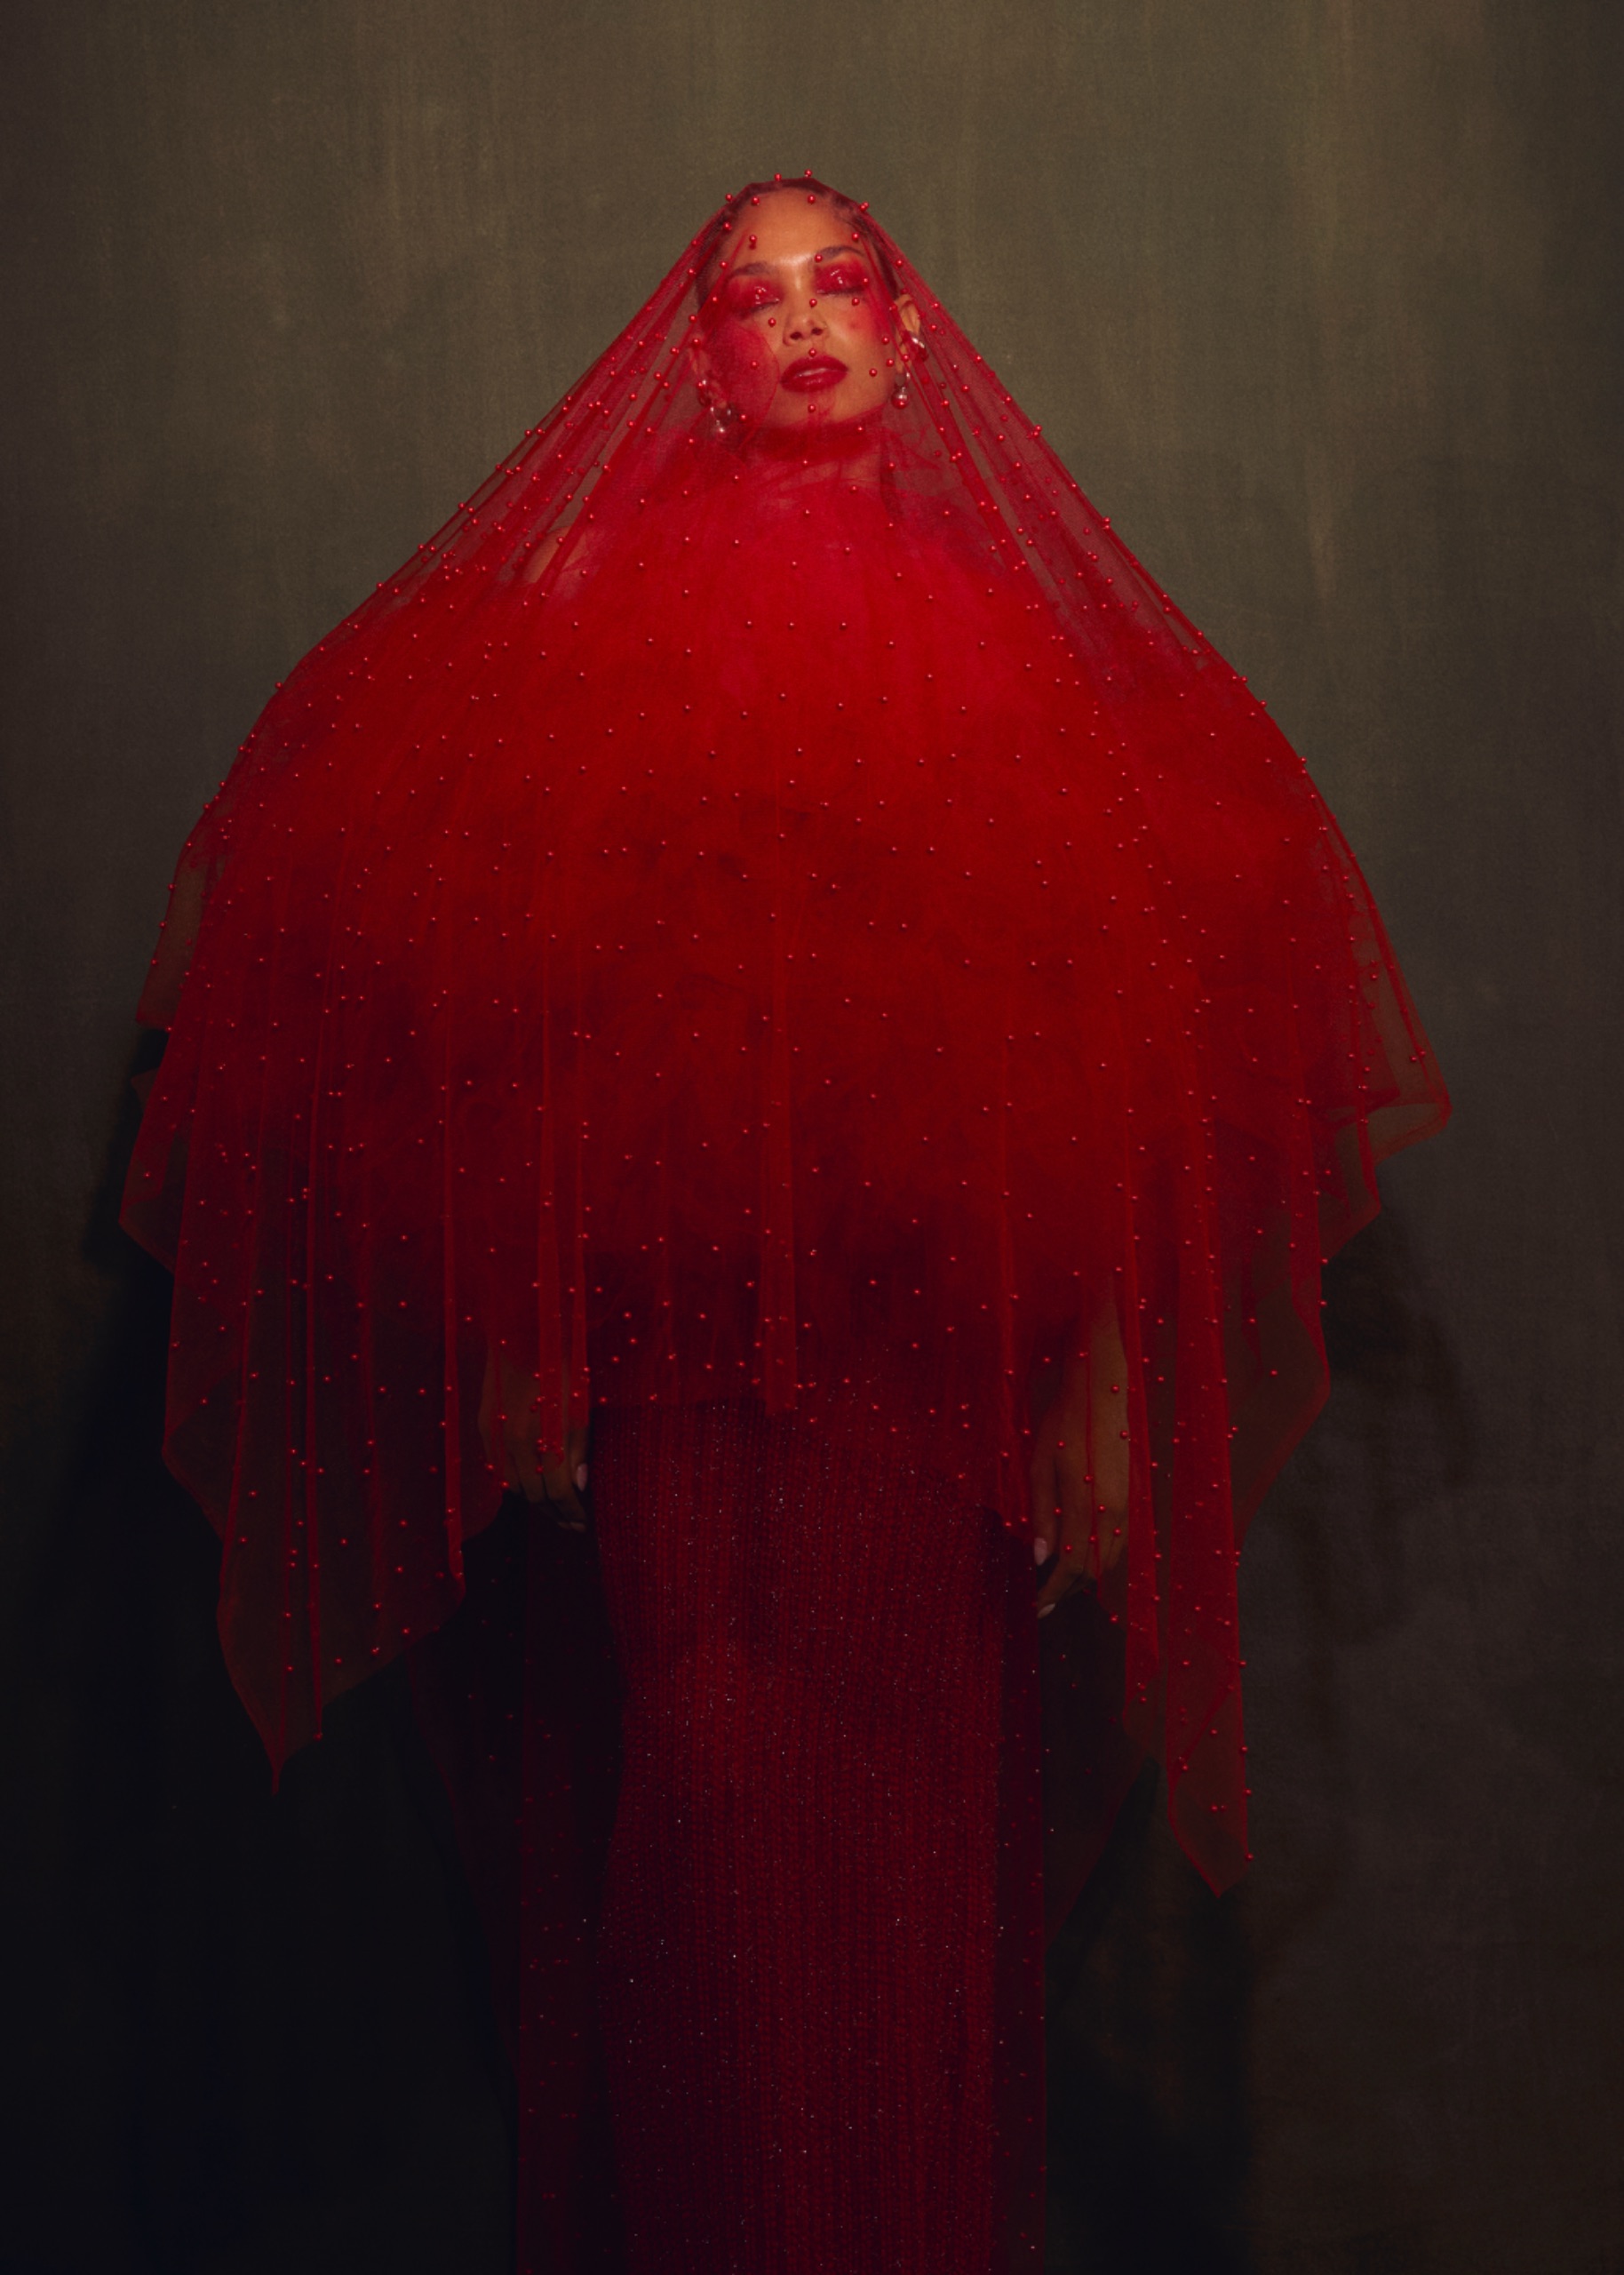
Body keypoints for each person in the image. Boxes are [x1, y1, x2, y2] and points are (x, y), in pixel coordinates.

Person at [123, 176, 1448, 2274]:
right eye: (751, 296)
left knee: (907, 1836)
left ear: (914, 338)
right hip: (670, 1357)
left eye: (845, 285)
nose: (801, 321)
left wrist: (1101, 1374)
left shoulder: (1014, 653)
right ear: (699, 354)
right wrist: (520, 1315)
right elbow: (509, 1015)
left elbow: (1100, 1048)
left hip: (929, 1359)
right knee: (711, 1797)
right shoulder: (584, 638)